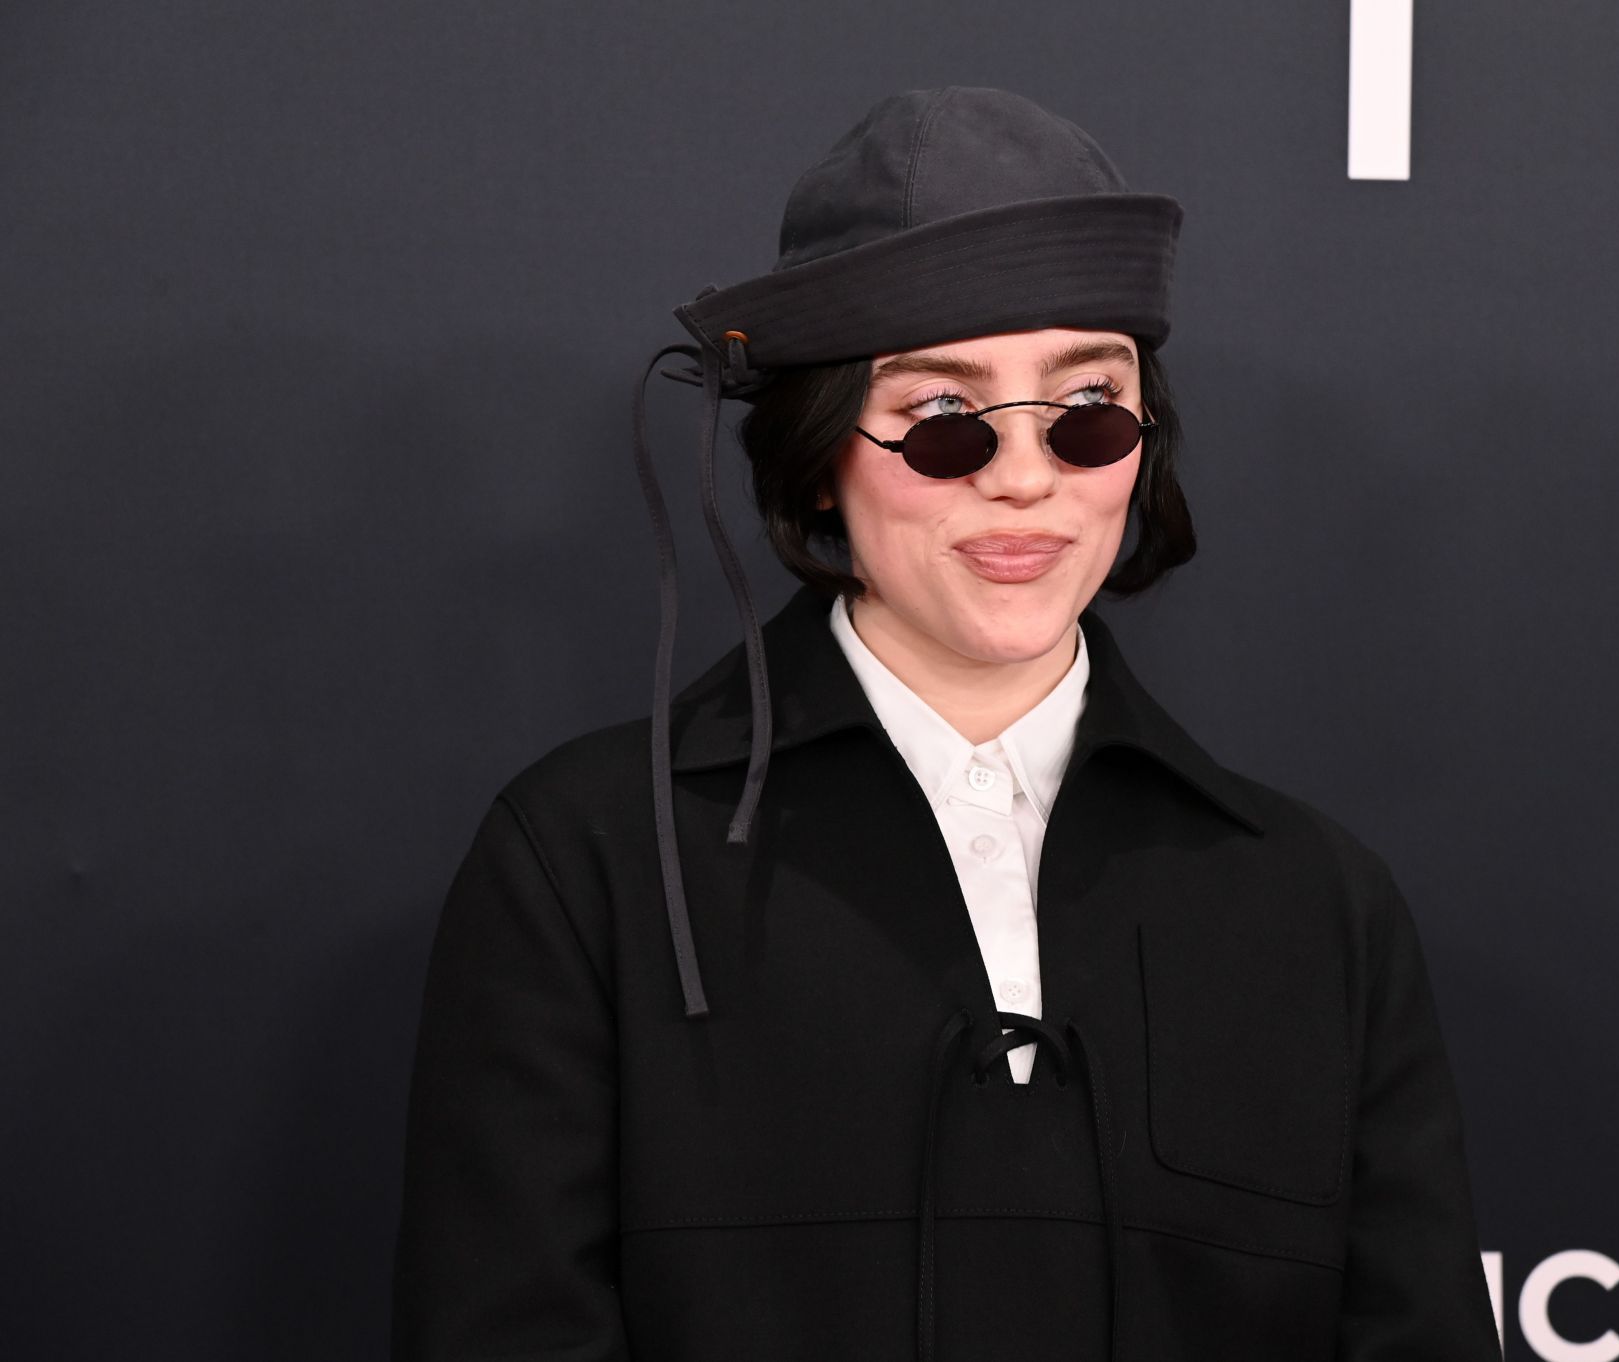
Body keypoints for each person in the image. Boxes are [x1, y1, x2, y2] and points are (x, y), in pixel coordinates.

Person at [391, 86, 1502, 1362]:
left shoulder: (1317, 905)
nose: (1025, 477)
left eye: (1087, 410)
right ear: (819, 455)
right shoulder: (585, 867)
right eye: (942, 420)